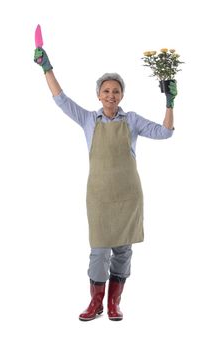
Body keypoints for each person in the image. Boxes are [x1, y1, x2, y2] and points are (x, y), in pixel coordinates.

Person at [34, 47, 177, 321]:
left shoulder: (132, 120)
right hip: (99, 197)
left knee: (123, 250)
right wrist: (46, 69)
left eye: (116, 91)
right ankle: (95, 302)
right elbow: (61, 100)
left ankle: (113, 304)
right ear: (98, 95)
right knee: (99, 252)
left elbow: (166, 133)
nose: (111, 95)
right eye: (106, 91)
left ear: (122, 95)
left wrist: (170, 102)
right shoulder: (88, 119)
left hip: (128, 196)